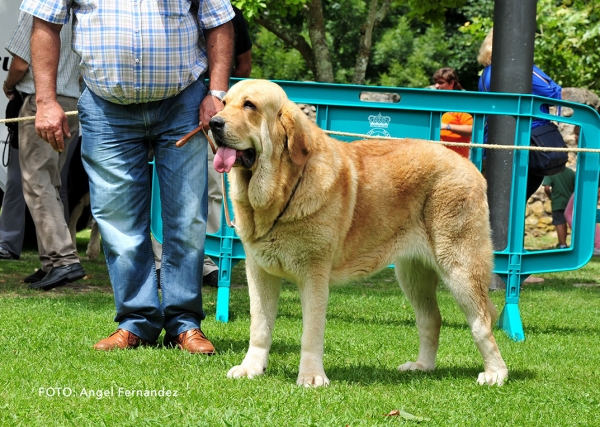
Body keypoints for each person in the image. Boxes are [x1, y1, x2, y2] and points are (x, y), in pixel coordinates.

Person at [22, 0, 235, 353]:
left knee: (187, 218)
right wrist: (45, 100)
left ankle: (184, 324)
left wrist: (217, 93)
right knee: (118, 220)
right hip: (106, 108)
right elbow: (45, 22)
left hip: (182, 102)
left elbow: (219, 21)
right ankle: (137, 322)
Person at [152, 4, 252, 288]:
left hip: (209, 110)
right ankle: (162, 261)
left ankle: (206, 261)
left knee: (209, 186)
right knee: (157, 188)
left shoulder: (229, 12)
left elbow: (243, 64)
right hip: (155, 102)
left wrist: (219, 97)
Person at [2, 10, 84, 288]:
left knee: (37, 182)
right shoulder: (81, 8)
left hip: (43, 101)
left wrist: (8, 85)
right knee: (50, 181)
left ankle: (63, 259)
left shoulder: (38, 5)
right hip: (71, 100)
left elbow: (21, 63)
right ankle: (51, 261)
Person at [477, 28, 562, 201]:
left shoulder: (486, 74)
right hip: (528, 144)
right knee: (513, 201)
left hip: (494, 144)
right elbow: (553, 94)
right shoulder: (521, 70)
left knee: (499, 203)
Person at [433, 67, 473, 159]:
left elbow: (471, 130)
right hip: (437, 157)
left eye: (441, 83)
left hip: (458, 160)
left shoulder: (461, 104)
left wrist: (446, 126)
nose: (436, 86)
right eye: (436, 82)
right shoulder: (435, 103)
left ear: (452, 83)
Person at [543, 167, 576, 249]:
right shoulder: (571, 172)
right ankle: (571, 243)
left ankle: (562, 244)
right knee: (570, 223)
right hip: (570, 203)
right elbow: (577, 188)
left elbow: (546, 188)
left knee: (560, 223)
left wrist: (551, 197)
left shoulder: (551, 172)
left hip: (557, 202)